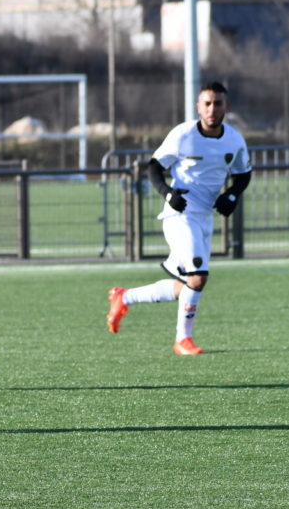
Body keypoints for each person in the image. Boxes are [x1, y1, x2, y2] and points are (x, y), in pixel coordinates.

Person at [106, 81, 252, 355]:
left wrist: (232, 195)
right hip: (180, 214)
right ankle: (182, 340)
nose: (212, 109)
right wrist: (168, 193)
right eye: (207, 103)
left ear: (226, 106)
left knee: (187, 285)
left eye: (217, 103)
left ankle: (124, 297)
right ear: (198, 107)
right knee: (198, 277)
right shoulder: (183, 135)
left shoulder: (234, 140)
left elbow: (243, 174)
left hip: (204, 217)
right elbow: (154, 167)